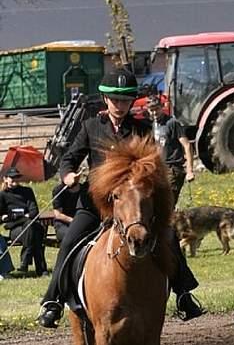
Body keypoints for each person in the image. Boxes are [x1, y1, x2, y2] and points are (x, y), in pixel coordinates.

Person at [38, 67, 204, 328]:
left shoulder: (143, 129)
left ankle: (184, 294)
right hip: (96, 204)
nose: (120, 105)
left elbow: (154, 165)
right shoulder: (90, 127)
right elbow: (69, 159)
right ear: (105, 99)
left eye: (125, 100)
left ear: (131, 101)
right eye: (115, 100)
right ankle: (53, 301)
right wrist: (68, 175)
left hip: (133, 206)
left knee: (168, 235)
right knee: (70, 241)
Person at [0, 167, 47, 277]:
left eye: (17, 178)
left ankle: (25, 261)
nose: (15, 180)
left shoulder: (27, 191)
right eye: (12, 178)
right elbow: (1, 217)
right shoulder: (2, 195)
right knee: (34, 232)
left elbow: (34, 212)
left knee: (32, 228)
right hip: (16, 231)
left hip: (30, 226)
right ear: (5, 179)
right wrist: (22, 216)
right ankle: (41, 269)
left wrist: (12, 216)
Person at [147, 97, 194, 206]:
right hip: (158, 168)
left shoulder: (172, 123)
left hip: (173, 169)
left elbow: (187, 145)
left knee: (168, 203)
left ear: (162, 107)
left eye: (156, 109)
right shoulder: (152, 125)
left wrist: (190, 170)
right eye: (151, 110)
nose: (154, 113)